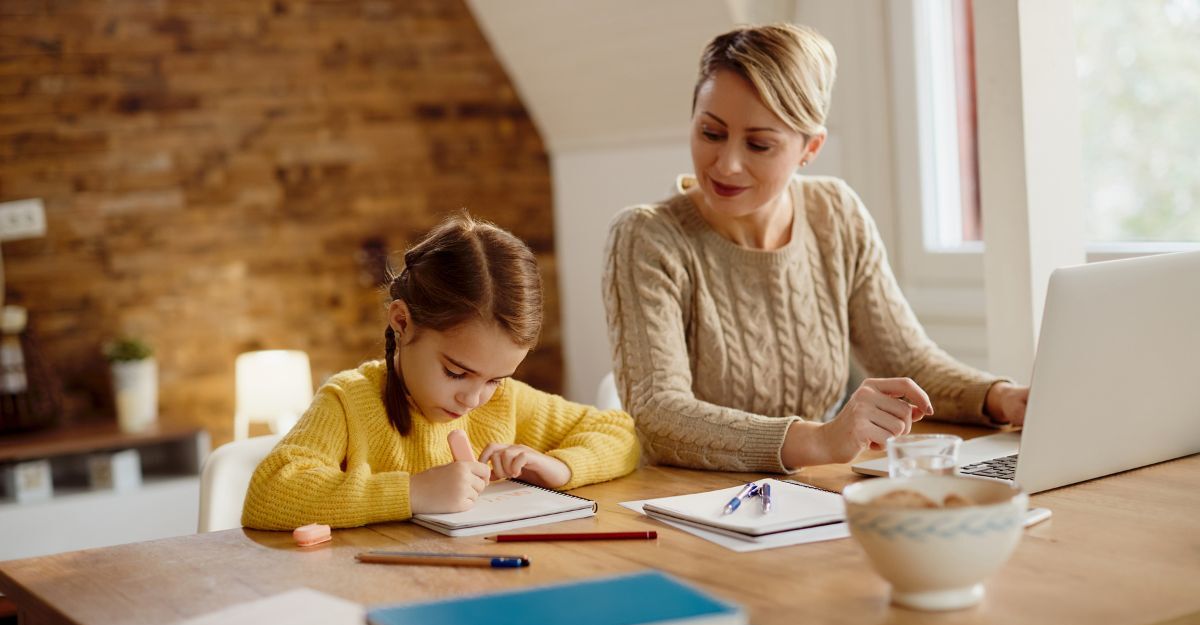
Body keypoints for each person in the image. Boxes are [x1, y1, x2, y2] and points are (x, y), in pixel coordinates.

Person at [602, 23, 1029, 473]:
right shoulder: (645, 237)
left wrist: (1001, 398)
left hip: (809, 494)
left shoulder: (835, 213)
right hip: (690, 503)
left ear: (810, 147)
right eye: (711, 133)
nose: (726, 164)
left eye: (759, 144)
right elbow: (658, 413)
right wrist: (821, 440)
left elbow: (907, 361)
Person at [244, 213, 639, 530]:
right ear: (401, 322)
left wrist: (559, 467)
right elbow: (269, 493)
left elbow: (621, 433)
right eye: (455, 373)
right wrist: (412, 492)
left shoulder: (503, 402)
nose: (473, 399)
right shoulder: (349, 401)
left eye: (495, 379)